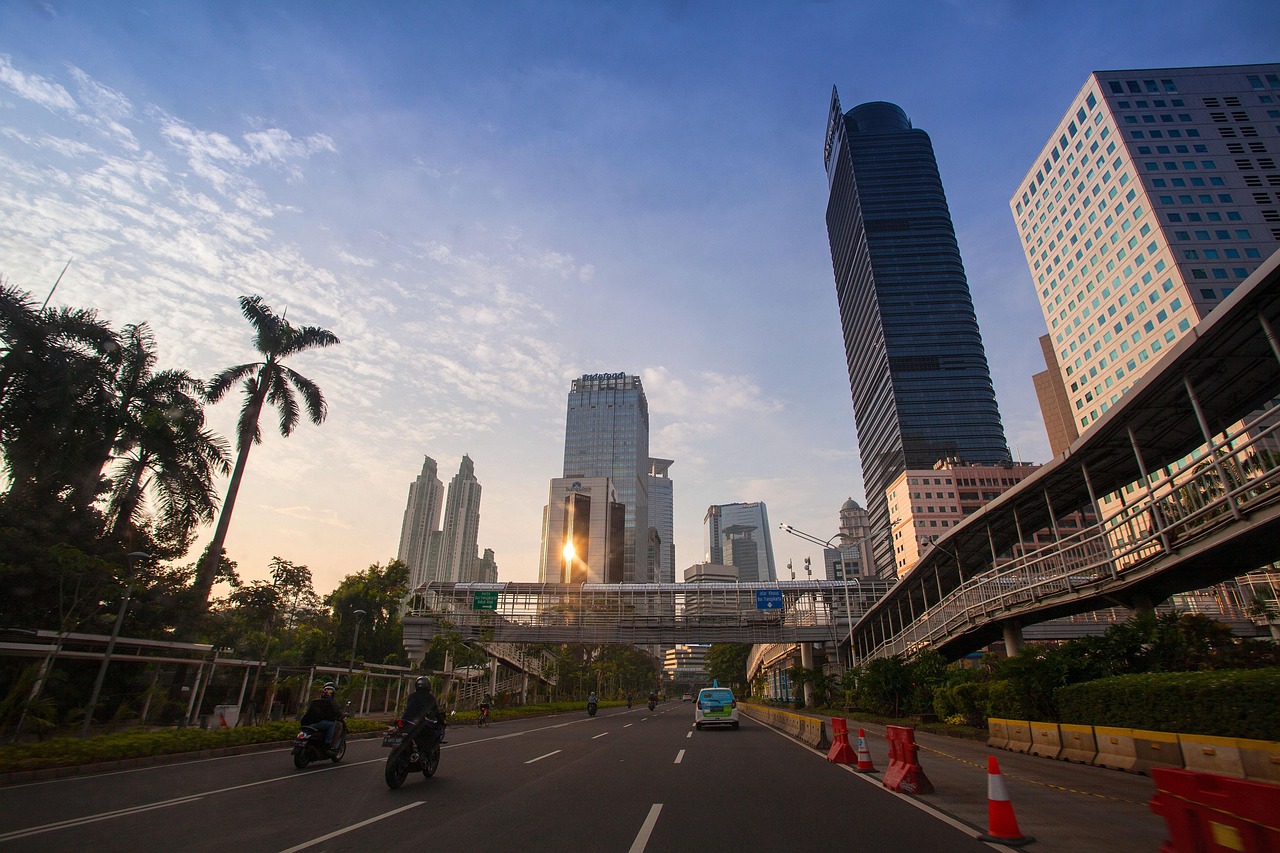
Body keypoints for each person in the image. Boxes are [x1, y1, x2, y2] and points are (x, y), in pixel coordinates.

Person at [402, 676, 445, 746]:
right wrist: (441, 721)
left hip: (406, 720)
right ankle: (425, 752)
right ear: (428, 686)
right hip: (419, 722)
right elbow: (436, 712)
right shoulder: (430, 698)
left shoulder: (411, 696)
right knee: (430, 736)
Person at [300, 682, 343, 753]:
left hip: (306, 723)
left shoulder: (315, 701)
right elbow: (337, 713)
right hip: (317, 723)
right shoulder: (331, 703)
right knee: (332, 725)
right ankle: (327, 744)